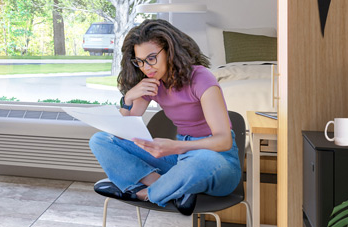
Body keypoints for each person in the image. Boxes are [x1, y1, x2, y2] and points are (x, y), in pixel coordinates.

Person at [88, 20, 240, 215]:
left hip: (217, 160)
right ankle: (170, 188)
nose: (146, 67)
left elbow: (224, 141)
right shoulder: (152, 82)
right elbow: (121, 133)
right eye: (140, 61)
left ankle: (145, 193)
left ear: (170, 50)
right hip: (180, 159)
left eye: (151, 58)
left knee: (199, 161)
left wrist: (176, 146)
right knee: (101, 139)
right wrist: (128, 98)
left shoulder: (201, 78)